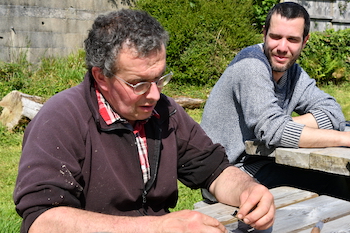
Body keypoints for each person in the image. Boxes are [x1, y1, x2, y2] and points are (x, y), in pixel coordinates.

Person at [13, 9, 275, 233]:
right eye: (138, 83)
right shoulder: (61, 119)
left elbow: (214, 171)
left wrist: (248, 190)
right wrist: (158, 227)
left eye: (160, 78)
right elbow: (42, 220)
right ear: (101, 77)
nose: (154, 94)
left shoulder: (165, 111)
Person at [200, 2, 350, 203]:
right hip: (228, 173)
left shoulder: (292, 73)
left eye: (292, 40)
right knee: (333, 187)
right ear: (264, 34)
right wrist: (343, 139)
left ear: (305, 41)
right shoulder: (251, 65)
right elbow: (273, 131)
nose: (282, 47)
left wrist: (285, 126)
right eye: (276, 37)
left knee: (338, 181)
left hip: (265, 161)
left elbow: (333, 112)